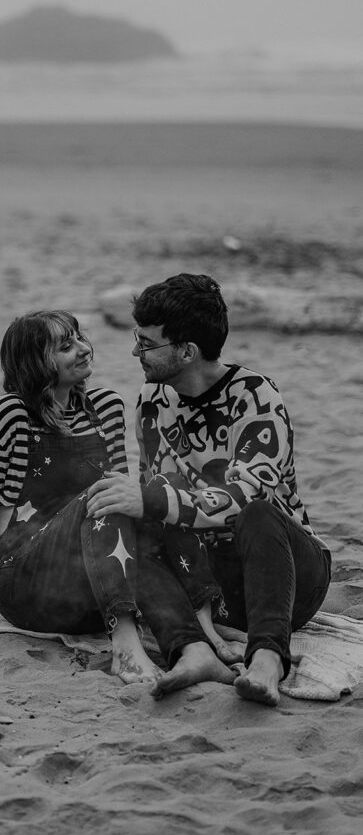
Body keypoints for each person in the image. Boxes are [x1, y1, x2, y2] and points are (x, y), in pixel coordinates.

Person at [86, 273, 331, 706]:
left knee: (254, 513)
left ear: (187, 350)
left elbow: (244, 500)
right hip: (205, 578)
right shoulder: (151, 399)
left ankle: (268, 660)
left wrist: (152, 500)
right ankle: (191, 650)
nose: (135, 352)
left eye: (147, 344)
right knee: (138, 522)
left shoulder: (254, 396)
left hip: (285, 571)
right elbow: (154, 486)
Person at [0, 309, 161, 684]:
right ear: (35, 363)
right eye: (66, 346)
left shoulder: (107, 408)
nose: (83, 349)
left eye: (80, 338)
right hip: (25, 583)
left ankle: (192, 642)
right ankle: (126, 648)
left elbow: (125, 513)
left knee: (128, 499)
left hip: (89, 591)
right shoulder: (9, 416)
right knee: (106, 495)